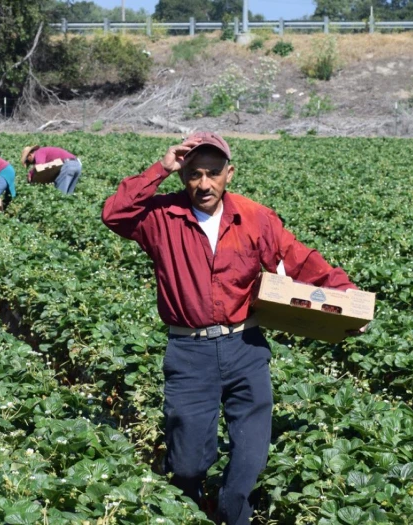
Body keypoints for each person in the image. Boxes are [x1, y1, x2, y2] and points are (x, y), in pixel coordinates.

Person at [101, 132, 364, 524]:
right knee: (188, 464)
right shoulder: (160, 217)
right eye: (193, 174)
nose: (203, 184)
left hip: (246, 347)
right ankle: (189, 502)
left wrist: (346, 298)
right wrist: (160, 167)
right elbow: (114, 214)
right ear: (182, 175)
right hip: (190, 352)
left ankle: (231, 515)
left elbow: (299, 258)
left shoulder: (255, 217)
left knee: (250, 460)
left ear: (230, 173)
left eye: (213, 173)